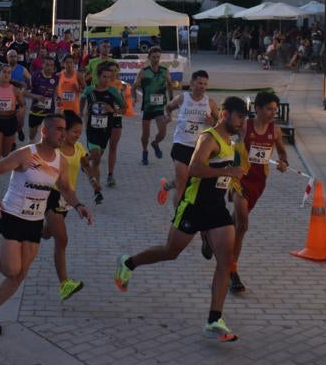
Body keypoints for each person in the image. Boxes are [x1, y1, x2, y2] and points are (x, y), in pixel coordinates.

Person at [114, 96, 249, 342]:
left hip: (216, 210)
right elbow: (195, 169)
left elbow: (222, 176)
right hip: (193, 207)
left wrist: (232, 184)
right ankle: (129, 262)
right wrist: (228, 171)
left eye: (244, 118)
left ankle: (214, 318)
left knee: (226, 261)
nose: (242, 122)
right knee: (170, 251)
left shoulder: (231, 141)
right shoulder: (209, 138)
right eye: (239, 117)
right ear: (225, 114)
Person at [0, 113, 92, 335]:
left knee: (20, 274)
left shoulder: (60, 162)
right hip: (13, 216)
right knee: (11, 268)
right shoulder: (27, 154)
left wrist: (79, 206)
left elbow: (65, 188)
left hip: (35, 222)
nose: (63, 133)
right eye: (58, 129)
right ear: (44, 131)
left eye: (65, 129)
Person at [230, 91, 289, 293]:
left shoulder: (276, 130)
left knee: (235, 223)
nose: (273, 113)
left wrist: (284, 163)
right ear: (258, 109)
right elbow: (222, 132)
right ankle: (232, 272)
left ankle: (212, 235)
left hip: (259, 183)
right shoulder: (244, 126)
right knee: (243, 225)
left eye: (275, 109)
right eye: (269, 109)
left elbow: (282, 152)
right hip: (240, 180)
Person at [42, 110, 89, 301]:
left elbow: (85, 164)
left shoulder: (78, 148)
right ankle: (64, 284)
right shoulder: (55, 149)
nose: (77, 135)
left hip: (67, 197)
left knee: (46, 233)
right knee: (62, 239)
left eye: (80, 132)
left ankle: (24, 231)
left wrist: (93, 180)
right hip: (50, 195)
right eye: (73, 132)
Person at [157, 70, 219, 207]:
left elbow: (219, 123)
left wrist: (212, 123)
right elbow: (168, 107)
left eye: (205, 84)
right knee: (182, 183)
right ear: (192, 83)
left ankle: (167, 185)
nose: (202, 86)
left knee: (189, 179)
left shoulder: (211, 103)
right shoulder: (183, 98)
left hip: (200, 148)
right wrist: (168, 116)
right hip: (181, 143)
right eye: (199, 83)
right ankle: (177, 221)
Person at [80, 62, 125, 194]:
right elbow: (82, 98)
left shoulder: (113, 91)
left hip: (105, 131)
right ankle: (97, 189)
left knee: (96, 157)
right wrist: (80, 111)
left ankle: (83, 160)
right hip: (92, 129)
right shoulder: (90, 90)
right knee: (97, 157)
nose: (106, 80)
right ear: (98, 77)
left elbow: (124, 109)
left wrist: (112, 109)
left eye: (109, 77)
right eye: (104, 77)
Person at [133, 47, 173, 166]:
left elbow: (170, 84)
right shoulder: (144, 71)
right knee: (145, 134)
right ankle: (145, 153)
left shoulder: (164, 71)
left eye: (158, 57)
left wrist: (171, 99)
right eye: (154, 57)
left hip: (159, 107)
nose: (156, 59)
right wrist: (134, 97)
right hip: (147, 107)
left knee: (163, 132)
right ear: (149, 57)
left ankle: (155, 143)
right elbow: (134, 86)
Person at [26, 56, 58, 142]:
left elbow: (57, 92)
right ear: (42, 65)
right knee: (32, 137)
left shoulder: (55, 78)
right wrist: (37, 97)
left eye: (51, 65)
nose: (49, 67)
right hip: (35, 111)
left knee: (47, 137)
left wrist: (59, 101)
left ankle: (43, 153)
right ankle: (32, 151)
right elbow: (25, 92)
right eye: (47, 65)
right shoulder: (35, 75)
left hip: (49, 112)